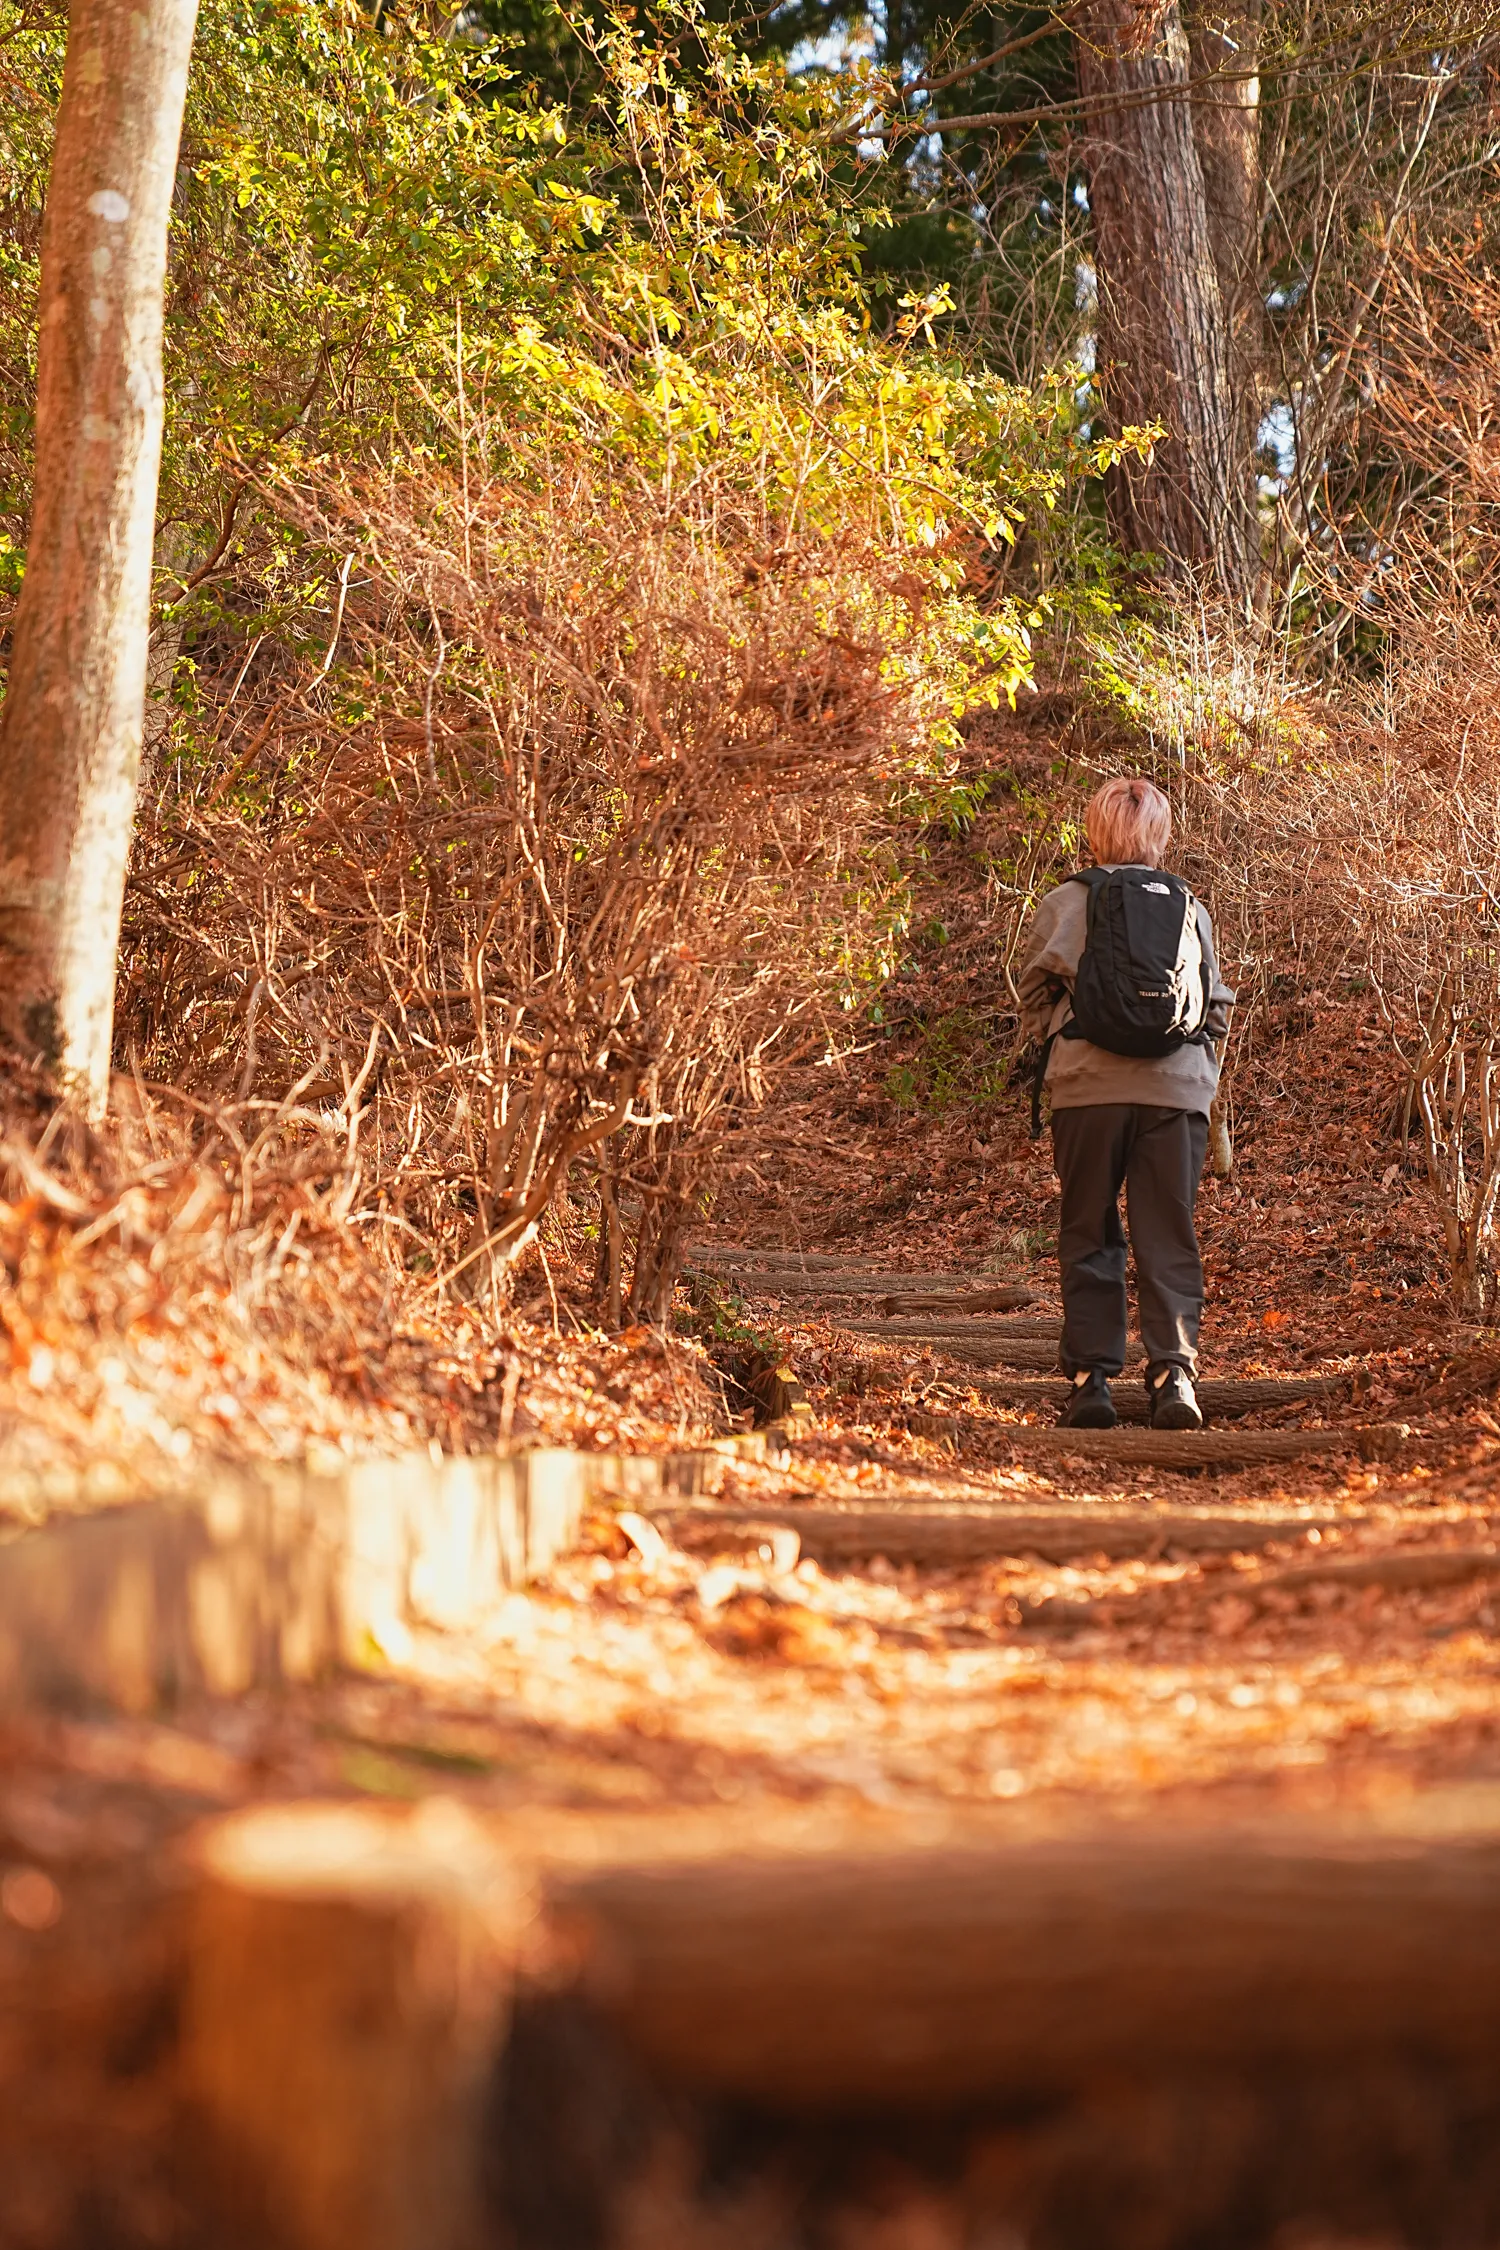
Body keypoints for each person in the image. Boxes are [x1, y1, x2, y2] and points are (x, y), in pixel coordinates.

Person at [1017, 776, 1234, 1430]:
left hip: (1088, 1089)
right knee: (1168, 1235)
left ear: (1095, 831)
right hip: (1176, 1092)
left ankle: (1091, 1382)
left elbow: (1033, 993)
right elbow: (1215, 1005)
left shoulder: (1065, 901)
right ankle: (1174, 1378)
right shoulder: (1189, 906)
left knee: (1089, 1229)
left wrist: (1061, 1048)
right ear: (1159, 835)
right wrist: (1199, 1076)